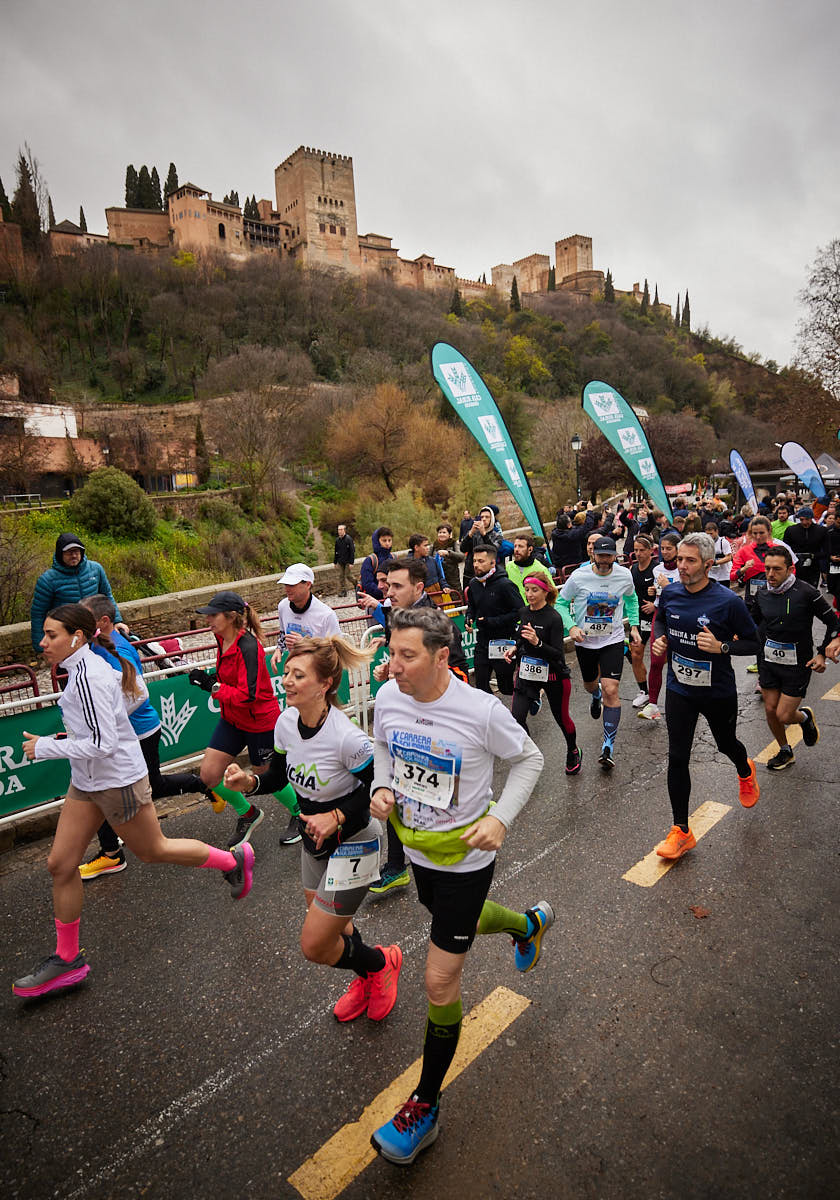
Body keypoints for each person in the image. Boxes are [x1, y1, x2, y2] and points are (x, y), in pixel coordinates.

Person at [369, 606, 547, 1165]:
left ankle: (425, 1106)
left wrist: (501, 818)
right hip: (419, 850)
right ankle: (526, 925)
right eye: (391, 652)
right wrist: (381, 784)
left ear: (442, 656)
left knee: (438, 980)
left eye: (406, 655)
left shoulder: (479, 710)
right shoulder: (389, 699)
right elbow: (382, 749)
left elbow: (530, 759)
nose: (391, 665)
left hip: (467, 859)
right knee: (453, 918)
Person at [12, 604, 254, 999]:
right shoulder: (85, 668)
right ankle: (67, 958)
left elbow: (104, 743)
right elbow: (128, 702)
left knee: (154, 850)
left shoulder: (91, 675)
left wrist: (46, 747)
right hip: (87, 781)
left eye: (51, 635)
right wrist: (68, 739)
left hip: (117, 781)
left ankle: (232, 860)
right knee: (60, 864)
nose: (42, 643)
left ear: (76, 637)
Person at [223, 636, 403, 1022]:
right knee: (335, 929)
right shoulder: (287, 722)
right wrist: (249, 784)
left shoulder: (347, 737)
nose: (286, 680)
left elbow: (379, 783)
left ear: (325, 685)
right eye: (286, 672)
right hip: (314, 841)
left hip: (356, 840)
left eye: (297, 675)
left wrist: (335, 817)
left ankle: (379, 965)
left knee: (315, 944)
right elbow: (277, 775)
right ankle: (369, 975)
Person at [78, 595, 207, 880]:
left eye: (85, 617)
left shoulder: (117, 649)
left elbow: (136, 694)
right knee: (108, 790)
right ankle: (112, 851)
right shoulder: (97, 644)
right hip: (126, 734)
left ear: (103, 621)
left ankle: (205, 786)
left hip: (137, 733)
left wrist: (104, 722)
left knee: (134, 789)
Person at [651, 534, 761, 861]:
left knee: (727, 744)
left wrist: (722, 647)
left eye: (690, 561)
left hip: (717, 692)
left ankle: (745, 769)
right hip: (680, 690)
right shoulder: (670, 592)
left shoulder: (728, 602)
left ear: (708, 565)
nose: (681, 566)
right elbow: (659, 621)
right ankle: (681, 830)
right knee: (677, 756)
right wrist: (660, 640)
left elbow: (754, 644)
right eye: (679, 559)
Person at [369, 558, 469, 896]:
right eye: (386, 584)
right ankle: (397, 865)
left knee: (435, 798)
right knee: (400, 786)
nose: (388, 591)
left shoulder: (438, 625)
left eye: (396, 586)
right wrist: (392, 669)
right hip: (406, 724)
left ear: (419, 588)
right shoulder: (395, 619)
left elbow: (460, 673)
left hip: (438, 729)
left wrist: (423, 683)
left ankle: (453, 855)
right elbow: (404, 664)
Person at [190, 591, 301, 849]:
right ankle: (248, 813)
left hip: (259, 720)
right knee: (208, 775)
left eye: (213, 615)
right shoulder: (220, 638)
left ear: (230, 617)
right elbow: (229, 676)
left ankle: (299, 813)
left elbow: (248, 694)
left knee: (266, 776)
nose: (208, 620)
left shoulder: (249, 646)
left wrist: (212, 686)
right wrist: (208, 677)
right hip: (232, 718)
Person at [753, 544, 840, 770]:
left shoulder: (807, 593)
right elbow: (752, 621)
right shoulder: (761, 592)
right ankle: (785, 750)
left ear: (790, 569)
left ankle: (803, 718)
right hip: (768, 660)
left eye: (777, 569)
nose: (770, 574)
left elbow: (833, 623)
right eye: (767, 568)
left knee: (784, 714)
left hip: (797, 663)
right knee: (771, 710)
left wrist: (822, 653)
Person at [558, 536, 641, 770]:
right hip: (585, 642)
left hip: (612, 640)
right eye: (600, 555)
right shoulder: (579, 576)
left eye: (609, 555)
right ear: (593, 554)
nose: (604, 560)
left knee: (611, 689)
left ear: (615, 555)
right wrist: (571, 627)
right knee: (590, 685)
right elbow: (560, 604)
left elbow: (632, 599)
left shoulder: (624, 575)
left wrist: (633, 625)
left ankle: (608, 746)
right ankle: (595, 696)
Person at [504, 574, 581, 774]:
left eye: (534, 590)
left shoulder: (553, 618)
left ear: (546, 591)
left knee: (562, 719)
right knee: (517, 718)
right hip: (527, 673)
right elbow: (521, 638)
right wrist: (514, 648)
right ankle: (529, 756)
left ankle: (573, 749)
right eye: (527, 590)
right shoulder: (523, 612)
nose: (529, 594)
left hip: (553, 675)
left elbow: (558, 655)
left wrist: (537, 643)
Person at [30, 533, 127, 654]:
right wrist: (40, 645)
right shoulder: (47, 580)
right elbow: (38, 614)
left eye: (77, 551)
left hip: (95, 631)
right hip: (68, 636)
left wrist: (117, 621)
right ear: (60, 554)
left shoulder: (96, 569)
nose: (74, 555)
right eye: (69, 552)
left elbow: (107, 596)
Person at [465, 543, 522, 696]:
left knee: (506, 688)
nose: (476, 565)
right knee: (481, 685)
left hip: (503, 641)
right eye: (475, 561)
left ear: (492, 562)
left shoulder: (505, 585)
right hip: (483, 641)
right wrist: (469, 618)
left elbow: (519, 612)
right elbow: (472, 607)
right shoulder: (473, 584)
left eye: (481, 561)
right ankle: (493, 716)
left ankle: (530, 696)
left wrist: (492, 621)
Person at [637, 532, 681, 721]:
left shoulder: (684, 568)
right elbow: (659, 597)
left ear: (678, 549)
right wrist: (654, 593)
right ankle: (653, 704)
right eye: (662, 549)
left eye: (669, 549)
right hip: (661, 616)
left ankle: (684, 701)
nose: (665, 552)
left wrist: (667, 587)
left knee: (678, 661)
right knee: (656, 661)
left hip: (681, 618)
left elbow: (685, 595)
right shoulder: (657, 569)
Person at [271, 564, 340, 667]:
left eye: (292, 585)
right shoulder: (283, 606)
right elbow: (283, 634)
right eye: (285, 584)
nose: (287, 589)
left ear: (308, 584)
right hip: (296, 669)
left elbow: (336, 651)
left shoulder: (327, 615)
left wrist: (307, 644)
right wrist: (279, 649)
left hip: (319, 671)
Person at [628, 535, 657, 710]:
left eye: (641, 550)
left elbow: (671, 591)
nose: (638, 554)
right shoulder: (632, 569)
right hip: (638, 619)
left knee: (661, 657)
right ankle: (644, 692)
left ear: (651, 551)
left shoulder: (657, 569)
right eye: (636, 550)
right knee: (636, 654)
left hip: (656, 618)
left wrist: (655, 605)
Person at [783, 507, 827, 589]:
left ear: (811, 518)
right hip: (796, 566)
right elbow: (786, 549)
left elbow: (826, 550)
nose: (804, 522)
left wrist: (813, 556)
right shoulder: (791, 530)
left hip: (813, 568)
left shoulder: (821, 530)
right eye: (802, 519)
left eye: (807, 519)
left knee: (811, 590)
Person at [460, 506, 502, 586]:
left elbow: (493, 551)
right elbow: (463, 548)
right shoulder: (474, 534)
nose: (484, 519)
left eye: (487, 517)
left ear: (492, 519)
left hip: (488, 575)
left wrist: (484, 534)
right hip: (470, 574)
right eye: (482, 517)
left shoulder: (497, 536)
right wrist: (470, 533)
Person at [505, 533, 553, 599]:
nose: (516, 549)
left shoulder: (541, 569)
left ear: (530, 549)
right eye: (515, 546)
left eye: (520, 546)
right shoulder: (508, 567)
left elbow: (552, 594)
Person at [359, 526, 396, 601]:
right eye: (384, 541)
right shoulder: (370, 560)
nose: (387, 543)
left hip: (392, 598)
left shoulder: (393, 557)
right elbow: (368, 584)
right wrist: (384, 592)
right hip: (375, 600)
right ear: (377, 541)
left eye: (389, 540)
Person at [432, 523, 465, 592]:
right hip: (438, 578)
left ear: (449, 534)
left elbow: (461, 557)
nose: (441, 534)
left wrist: (448, 553)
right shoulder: (434, 545)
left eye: (444, 532)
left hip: (453, 578)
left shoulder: (454, 543)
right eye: (440, 532)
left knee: (456, 598)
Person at [705, 521, 733, 588]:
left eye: (711, 533)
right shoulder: (705, 543)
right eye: (707, 534)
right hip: (711, 575)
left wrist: (715, 562)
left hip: (724, 575)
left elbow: (729, 557)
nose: (709, 536)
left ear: (716, 531)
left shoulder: (723, 542)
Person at [333, 524, 356, 595]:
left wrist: (351, 562)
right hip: (340, 561)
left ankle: (357, 584)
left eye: (341, 530)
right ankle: (343, 591)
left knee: (348, 575)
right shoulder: (337, 540)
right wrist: (335, 562)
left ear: (344, 530)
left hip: (347, 561)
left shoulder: (349, 539)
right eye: (338, 530)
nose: (339, 531)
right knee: (341, 577)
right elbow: (336, 551)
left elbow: (352, 551)